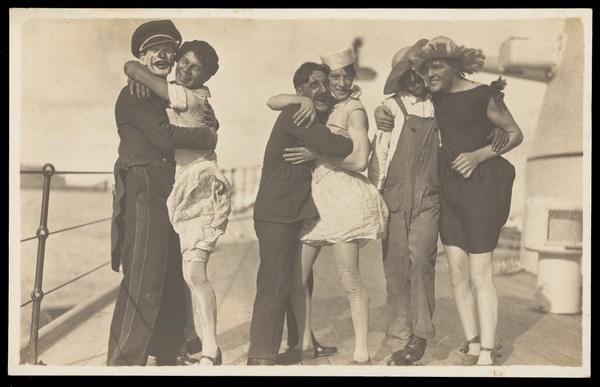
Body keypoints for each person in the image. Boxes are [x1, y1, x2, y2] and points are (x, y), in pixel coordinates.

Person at [107, 20, 218, 367]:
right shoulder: (133, 94)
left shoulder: (159, 91)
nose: (164, 55)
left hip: (170, 191)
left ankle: (169, 351)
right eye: (155, 49)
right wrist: (209, 137)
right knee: (142, 276)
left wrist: (210, 122)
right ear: (142, 55)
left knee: (169, 274)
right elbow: (165, 136)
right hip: (144, 189)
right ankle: (123, 362)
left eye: (170, 49)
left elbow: (193, 115)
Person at [270, 48, 389, 365]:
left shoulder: (354, 110)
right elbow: (274, 101)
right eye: (334, 76)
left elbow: (361, 160)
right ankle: (305, 343)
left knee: (349, 277)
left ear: (353, 77)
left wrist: (316, 155)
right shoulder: (324, 105)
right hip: (317, 199)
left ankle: (361, 351)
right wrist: (303, 100)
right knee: (298, 274)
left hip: (344, 197)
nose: (340, 82)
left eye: (347, 75)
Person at [410, 36, 523, 366]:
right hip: (451, 187)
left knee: (480, 272)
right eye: (427, 67)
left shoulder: (484, 94)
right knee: (457, 271)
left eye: (438, 65)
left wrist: (479, 155)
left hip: (482, 187)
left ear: (455, 67)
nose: (430, 73)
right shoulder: (435, 96)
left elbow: (515, 133)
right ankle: (473, 343)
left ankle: (488, 350)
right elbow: (395, 82)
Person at [247, 62, 355, 366]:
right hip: (276, 212)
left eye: (324, 84)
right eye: (313, 85)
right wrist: (337, 144)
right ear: (299, 92)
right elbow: (338, 144)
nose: (321, 90)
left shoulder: (310, 114)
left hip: (294, 210)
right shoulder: (297, 113)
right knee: (274, 280)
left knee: (300, 278)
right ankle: (260, 355)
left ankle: (302, 342)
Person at [366, 39, 441, 366]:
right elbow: (380, 153)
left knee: (421, 260)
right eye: (406, 74)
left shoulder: (442, 105)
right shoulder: (390, 108)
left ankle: (420, 335)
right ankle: (397, 331)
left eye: (419, 73)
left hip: (429, 196)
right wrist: (375, 195)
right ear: (399, 78)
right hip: (394, 193)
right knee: (396, 267)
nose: (414, 79)